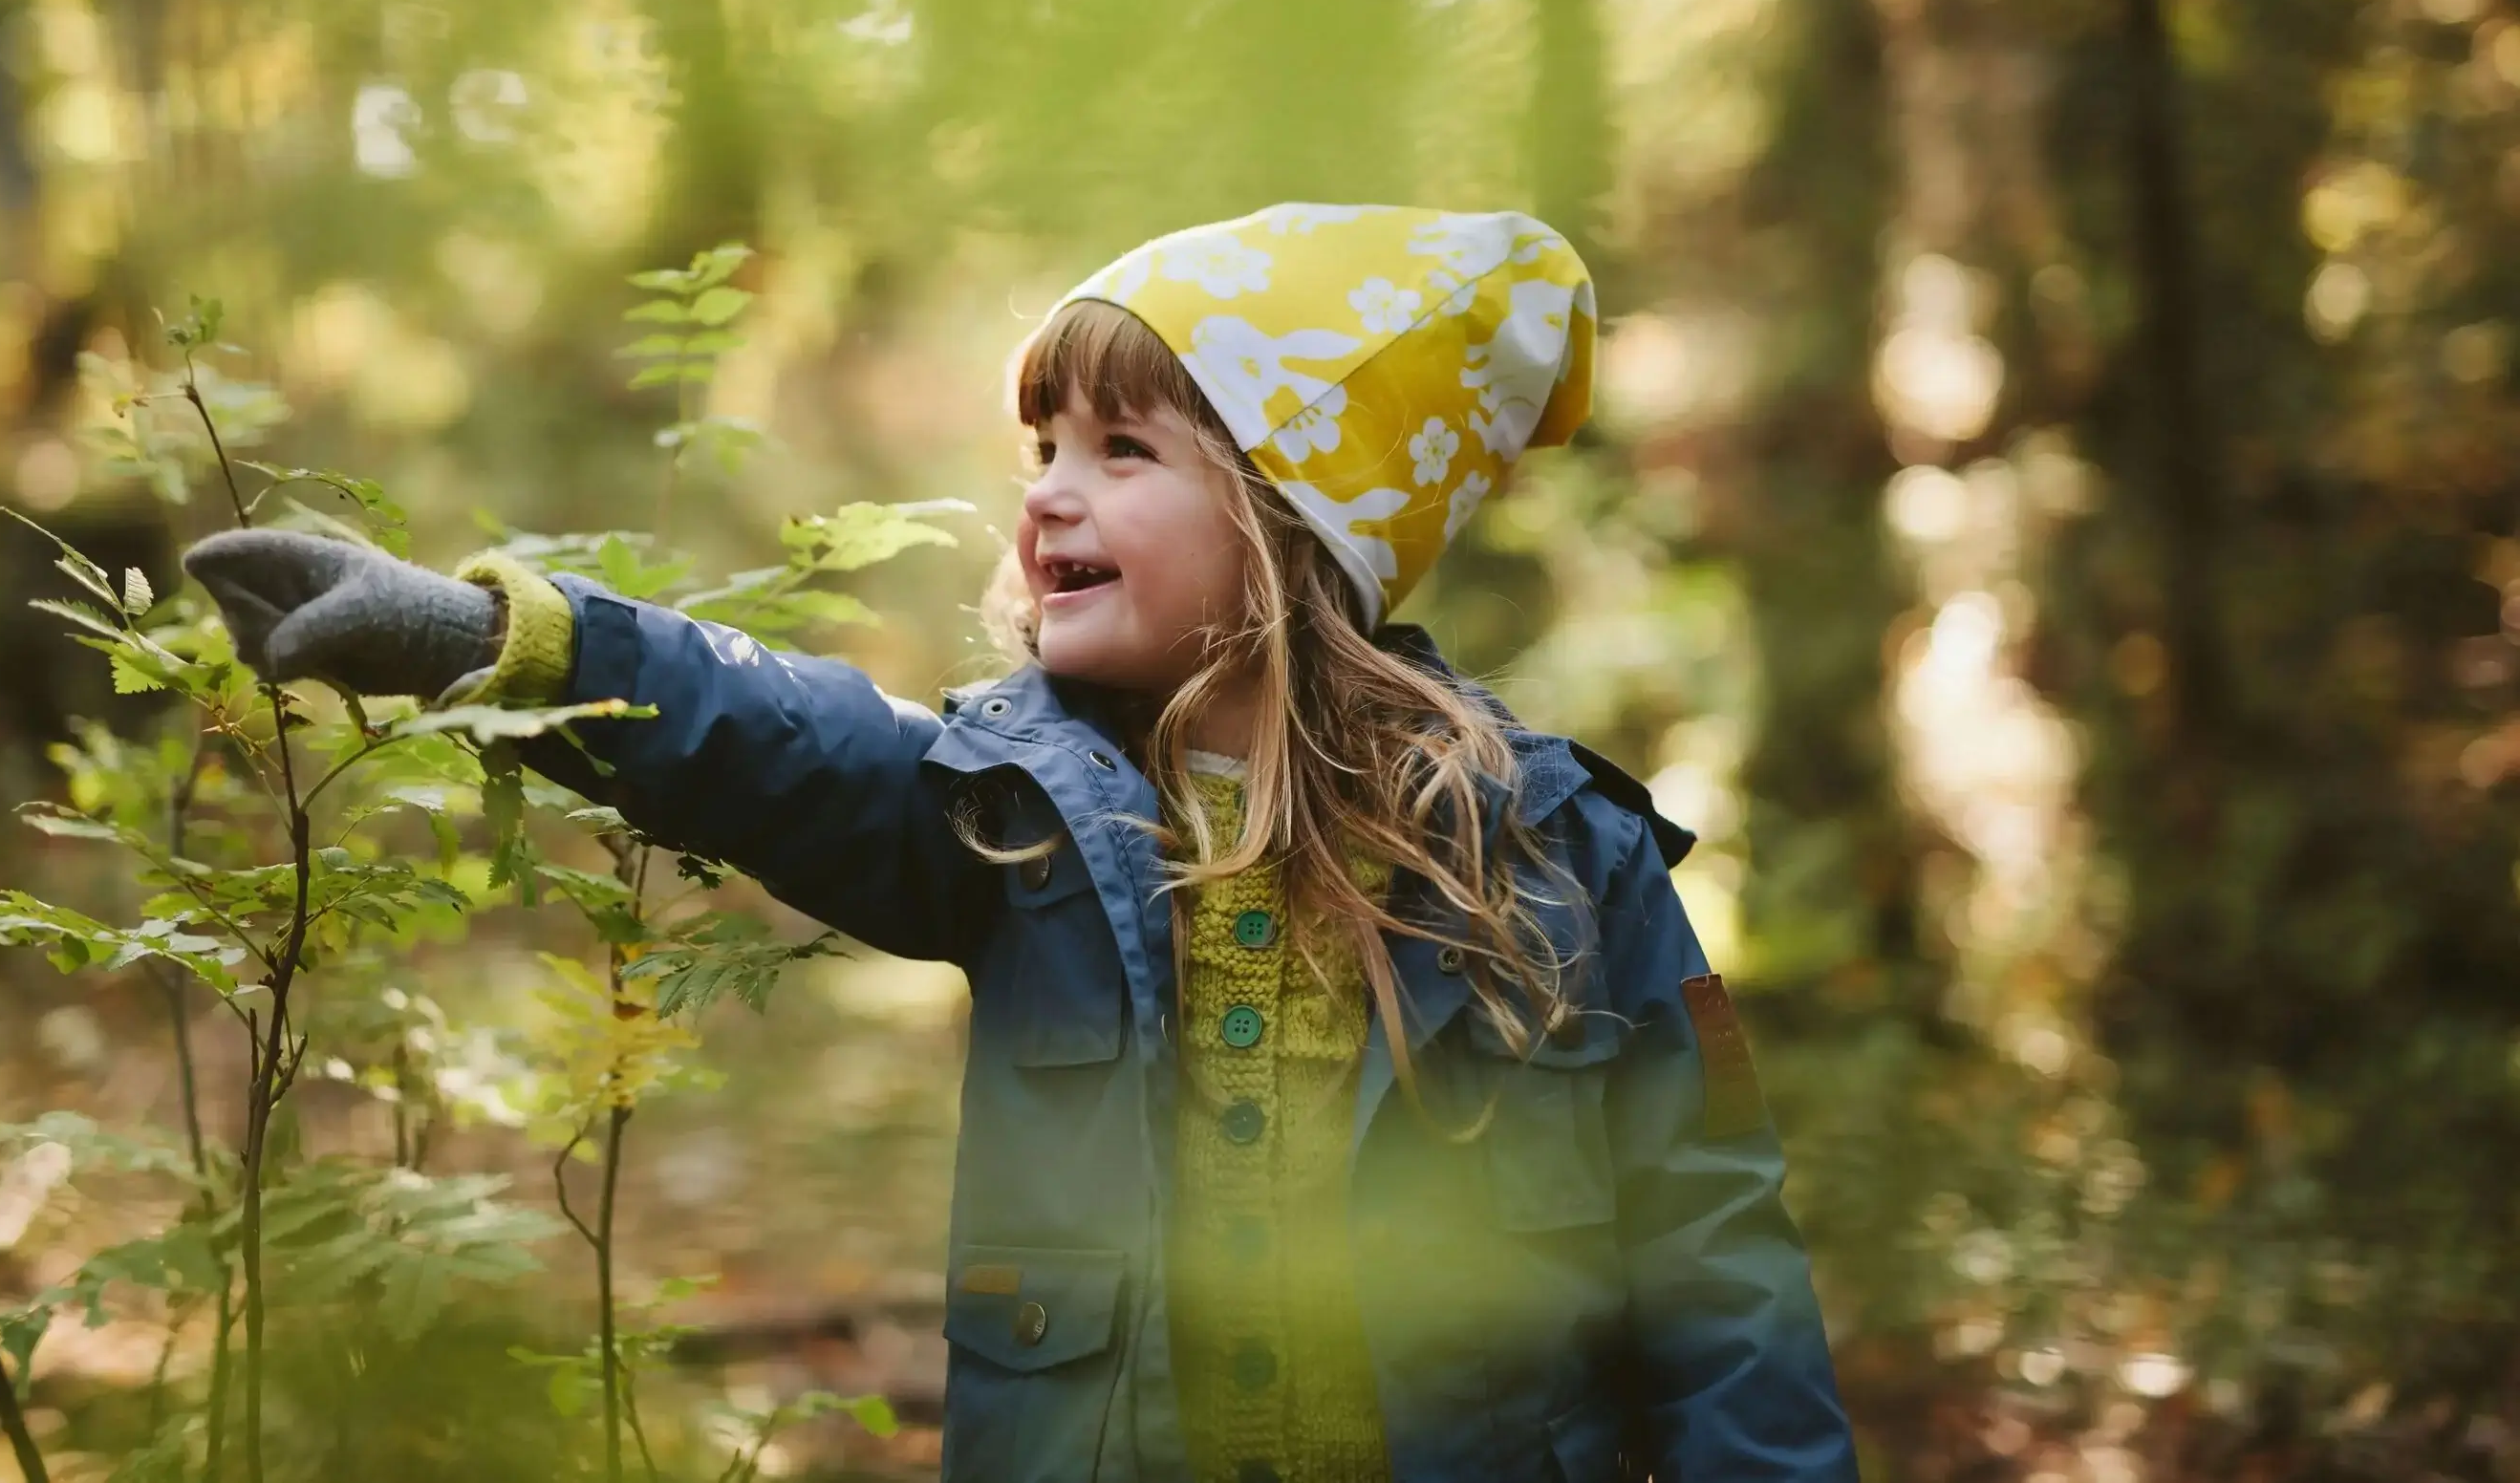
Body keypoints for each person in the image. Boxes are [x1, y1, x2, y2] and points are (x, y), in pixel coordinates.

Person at [183, 204, 1860, 1483]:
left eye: (1125, 450)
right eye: (1045, 449)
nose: (1048, 493)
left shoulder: (1552, 853)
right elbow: (775, 737)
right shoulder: (1021, 813)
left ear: (1292, 525)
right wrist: (488, 637)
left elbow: (1719, 1265)